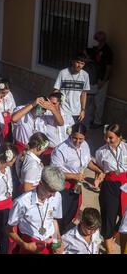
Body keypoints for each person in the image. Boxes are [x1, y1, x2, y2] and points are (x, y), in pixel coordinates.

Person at [51, 123, 103, 234]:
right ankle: (55, 237)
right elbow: (54, 171)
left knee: (72, 212)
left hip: (77, 186)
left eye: (81, 139)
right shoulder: (61, 150)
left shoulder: (85, 146)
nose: (77, 141)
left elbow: (87, 161)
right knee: (60, 215)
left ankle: (62, 233)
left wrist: (98, 170)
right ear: (70, 135)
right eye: (75, 138)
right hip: (63, 187)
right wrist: (74, 176)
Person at [7, 165, 65, 254]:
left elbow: (53, 220)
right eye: (50, 191)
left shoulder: (57, 196)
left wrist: (58, 240)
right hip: (31, 244)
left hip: (50, 242)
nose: (53, 195)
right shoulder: (21, 202)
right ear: (41, 183)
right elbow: (9, 229)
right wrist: (25, 245)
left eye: (55, 191)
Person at [95, 124, 127, 254]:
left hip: (125, 186)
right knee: (109, 218)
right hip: (109, 188)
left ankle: (113, 236)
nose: (107, 140)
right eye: (106, 137)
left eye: (111, 138)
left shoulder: (126, 148)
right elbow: (100, 170)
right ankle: (109, 249)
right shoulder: (101, 152)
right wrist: (98, 180)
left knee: (124, 219)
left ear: (119, 137)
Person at [86, 31, 113, 129]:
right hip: (95, 79)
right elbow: (91, 58)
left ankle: (98, 122)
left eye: (100, 39)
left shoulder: (107, 51)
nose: (98, 41)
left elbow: (108, 68)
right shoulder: (96, 49)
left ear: (104, 40)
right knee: (93, 101)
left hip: (102, 80)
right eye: (97, 39)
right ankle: (93, 119)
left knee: (99, 101)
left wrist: (104, 80)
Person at [54, 54, 90, 123]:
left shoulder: (85, 75)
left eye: (82, 64)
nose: (79, 65)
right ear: (73, 61)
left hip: (76, 112)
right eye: (78, 62)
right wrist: (55, 106)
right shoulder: (63, 73)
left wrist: (83, 110)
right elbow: (56, 90)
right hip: (63, 109)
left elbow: (84, 93)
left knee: (73, 132)